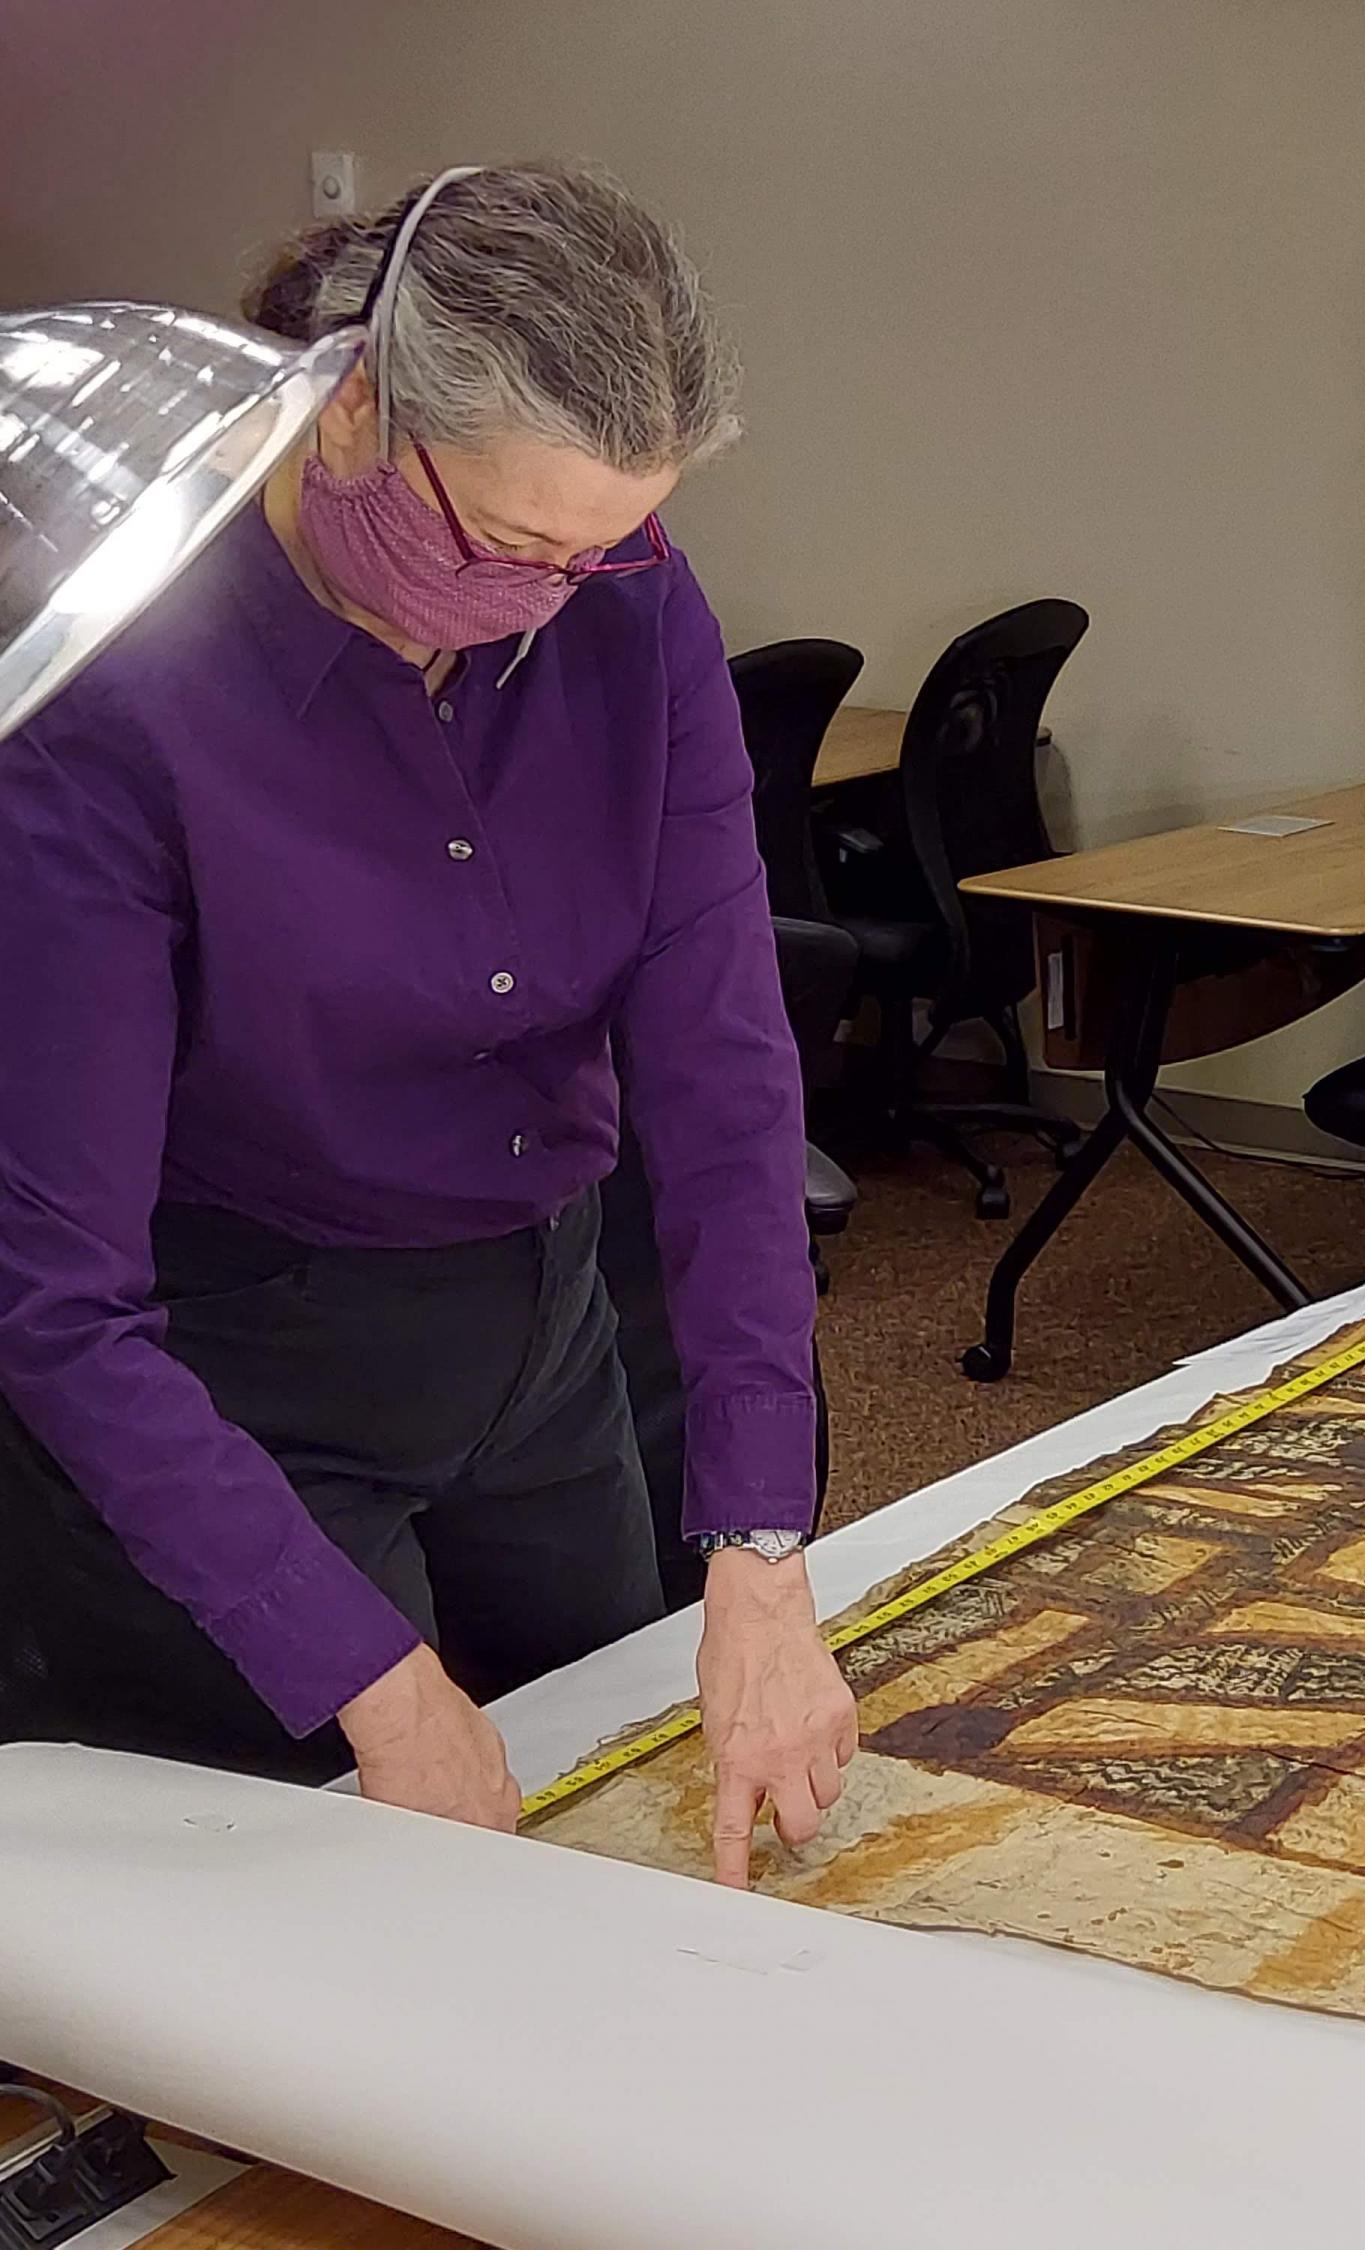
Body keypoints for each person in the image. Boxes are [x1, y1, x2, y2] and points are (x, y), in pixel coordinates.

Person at [0, 165, 853, 1886]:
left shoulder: (630, 600)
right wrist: (370, 1684)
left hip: (543, 1322)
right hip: (232, 1356)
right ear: (356, 413)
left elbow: (726, 1075)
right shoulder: (112, 689)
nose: (550, 595)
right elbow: (53, 1301)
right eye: (506, 542)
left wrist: (762, 1549)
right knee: (334, 1906)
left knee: (618, 1819)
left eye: (596, 547)